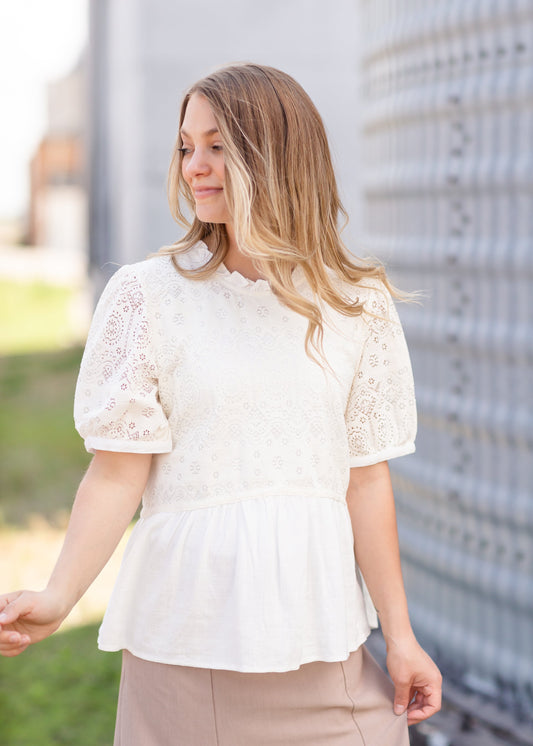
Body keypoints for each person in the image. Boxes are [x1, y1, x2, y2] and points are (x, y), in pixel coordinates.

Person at [0, 63, 441, 745]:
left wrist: (402, 637)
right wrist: (58, 597)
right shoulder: (146, 296)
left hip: (327, 651)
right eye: (185, 147)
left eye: (216, 147)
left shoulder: (359, 306)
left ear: (277, 156)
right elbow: (118, 472)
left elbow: (364, 479)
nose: (193, 167)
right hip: (189, 649)